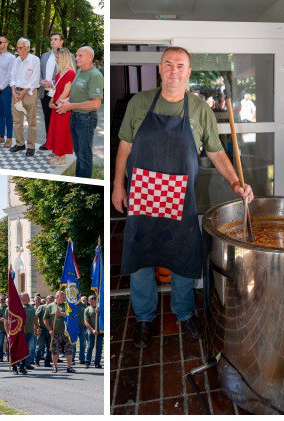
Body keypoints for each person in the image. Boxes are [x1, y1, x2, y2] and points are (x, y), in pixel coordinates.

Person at [112, 46, 253, 349]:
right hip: (141, 195)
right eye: (168, 64)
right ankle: (145, 318)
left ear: (188, 72)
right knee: (140, 261)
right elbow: (124, 146)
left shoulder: (200, 109)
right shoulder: (139, 103)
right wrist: (118, 186)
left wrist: (235, 182)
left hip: (180, 199)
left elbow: (215, 152)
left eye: (180, 66)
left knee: (183, 258)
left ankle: (184, 311)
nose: (173, 70)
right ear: (159, 69)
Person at [56, 46, 104, 178]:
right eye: (76, 55)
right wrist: (66, 101)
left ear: (90, 57)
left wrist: (71, 105)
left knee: (84, 155)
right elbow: (75, 95)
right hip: (75, 116)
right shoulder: (79, 71)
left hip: (86, 119)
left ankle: (85, 179)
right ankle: (79, 178)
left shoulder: (95, 75)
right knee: (78, 153)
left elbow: (96, 103)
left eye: (80, 56)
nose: (76, 58)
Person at [9, 37, 41, 156]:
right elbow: (12, 77)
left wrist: (22, 93)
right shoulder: (16, 60)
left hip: (29, 94)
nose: (17, 50)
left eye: (20, 47)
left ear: (27, 48)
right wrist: (13, 92)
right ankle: (20, 144)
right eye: (17, 47)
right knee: (17, 121)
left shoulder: (34, 60)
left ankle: (31, 146)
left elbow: (34, 79)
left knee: (31, 122)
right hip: (16, 93)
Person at [45, 48, 76, 166]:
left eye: (57, 57)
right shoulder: (59, 72)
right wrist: (52, 100)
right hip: (57, 105)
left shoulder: (70, 72)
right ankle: (59, 156)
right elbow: (57, 89)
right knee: (57, 132)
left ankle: (62, 159)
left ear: (64, 58)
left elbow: (66, 91)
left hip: (63, 107)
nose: (56, 59)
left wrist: (56, 104)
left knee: (62, 132)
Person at [39, 32, 66, 150]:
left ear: (61, 42)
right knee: (47, 117)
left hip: (59, 93)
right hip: (45, 92)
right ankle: (48, 141)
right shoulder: (44, 56)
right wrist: (41, 82)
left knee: (58, 119)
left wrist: (53, 83)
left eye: (56, 39)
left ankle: (58, 143)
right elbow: (39, 72)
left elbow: (69, 75)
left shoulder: (66, 55)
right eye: (51, 39)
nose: (53, 41)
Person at [45, 291, 76, 373]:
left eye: (64, 296)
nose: (64, 297)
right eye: (62, 296)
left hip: (67, 333)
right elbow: (45, 319)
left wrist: (60, 313)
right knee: (55, 351)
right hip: (55, 333)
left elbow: (71, 317)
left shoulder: (67, 306)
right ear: (57, 297)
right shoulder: (50, 306)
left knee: (69, 350)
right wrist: (50, 329)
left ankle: (69, 367)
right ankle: (55, 367)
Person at [14, 292, 37, 374]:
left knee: (28, 349)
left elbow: (34, 318)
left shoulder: (31, 307)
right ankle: (17, 364)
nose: (28, 298)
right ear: (22, 298)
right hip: (21, 332)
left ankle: (25, 364)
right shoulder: (19, 307)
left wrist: (37, 327)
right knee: (21, 349)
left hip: (30, 331)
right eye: (27, 297)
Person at [84, 295, 103, 368]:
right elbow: (86, 322)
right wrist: (92, 330)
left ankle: (97, 363)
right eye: (90, 301)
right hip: (91, 332)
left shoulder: (101, 308)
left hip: (100, 332)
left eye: (93, 301)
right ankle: (87, 362)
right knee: (90, 347)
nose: (92, 303)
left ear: (96, 301)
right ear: (88, 302)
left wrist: (99, 312)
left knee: (99, 348)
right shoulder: (87, 309)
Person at [0, 298, 9, 363]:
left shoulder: (7, 307)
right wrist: (5, 320)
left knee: (9, 343)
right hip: (0, 328)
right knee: (0, 343)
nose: (3, 300)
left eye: (4, 299)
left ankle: (9, 357)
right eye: (1, 299)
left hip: (8, 328)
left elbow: (10, 317)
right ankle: (0, 357)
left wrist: (5, 320)